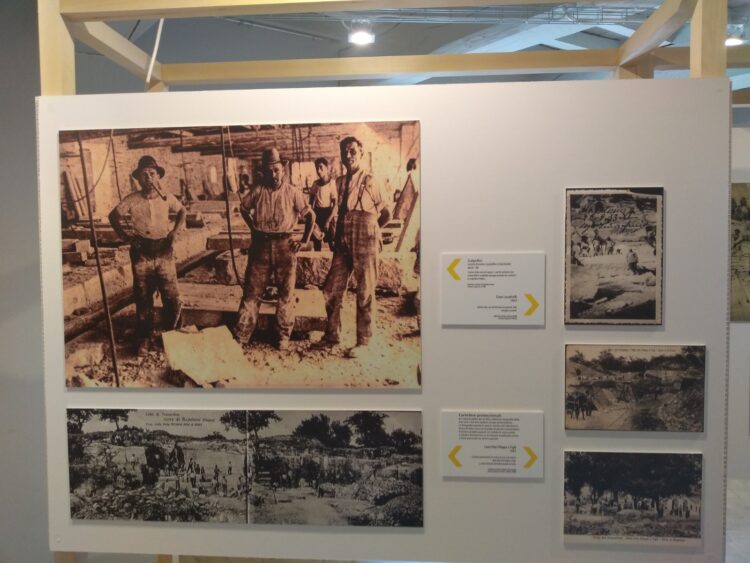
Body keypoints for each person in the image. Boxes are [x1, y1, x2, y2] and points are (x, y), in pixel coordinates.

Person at [234, 147, 314, 351]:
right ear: (264, 173)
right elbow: (243, 208)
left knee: (286, 294)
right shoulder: (258, 191)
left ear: (283, 170)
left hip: (285, 246)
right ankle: (242, 335)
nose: (273, 175)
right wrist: (253, 228)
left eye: (277, 170)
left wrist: (304, 240)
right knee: (251, 293)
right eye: (269, 171)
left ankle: (283, 336)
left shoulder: (293, 192)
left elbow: (310, 216)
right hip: (260, 246)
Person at [318, 136, 391, 358]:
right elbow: (341, 211)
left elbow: (386, 213)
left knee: (365, 290)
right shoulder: (340, 182)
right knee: (331, 288)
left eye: (352, 151)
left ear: (361, 153)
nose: (348, 155)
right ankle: (332, 334)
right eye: (344, 152)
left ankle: (364, 341)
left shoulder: (371, 181)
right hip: (344, 236)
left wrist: (371, 232)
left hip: (365, 235)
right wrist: (338, 235)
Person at [109, 155, 186, 356]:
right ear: (139, 179)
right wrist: (126, 236)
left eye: (152, 174)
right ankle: (144, 338)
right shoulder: (132, 200)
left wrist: (174, 232)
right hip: (141, 253)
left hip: (164, 252)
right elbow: (113, 216)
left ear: (158, 176)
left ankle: (174, 335)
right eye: (144, 175)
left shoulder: (166, 197)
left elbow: (182, 211)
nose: (148, 178)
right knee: (143, 297)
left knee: (171, 295)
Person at [308, 157, 338, 251]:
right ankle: (317, 260)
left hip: (328, 214)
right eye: (317, 168)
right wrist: (312, 219)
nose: (318, 171)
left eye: (321, 167)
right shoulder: (315, 184)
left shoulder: (332, 184)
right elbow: (310, 204)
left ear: (327, 168)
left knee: (332, 241)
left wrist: (328, 220)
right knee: (317, 241)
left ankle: (333, 259)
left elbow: (335, 205)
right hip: (317, 214)